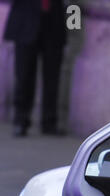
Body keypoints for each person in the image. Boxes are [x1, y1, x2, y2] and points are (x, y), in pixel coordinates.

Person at [3, 0, 67, 137]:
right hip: (25, 23)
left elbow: (75, 5)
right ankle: (21, 120)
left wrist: (74, 28)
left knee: (52, 78)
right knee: (24, 75)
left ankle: (49, 122)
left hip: (54, 25)